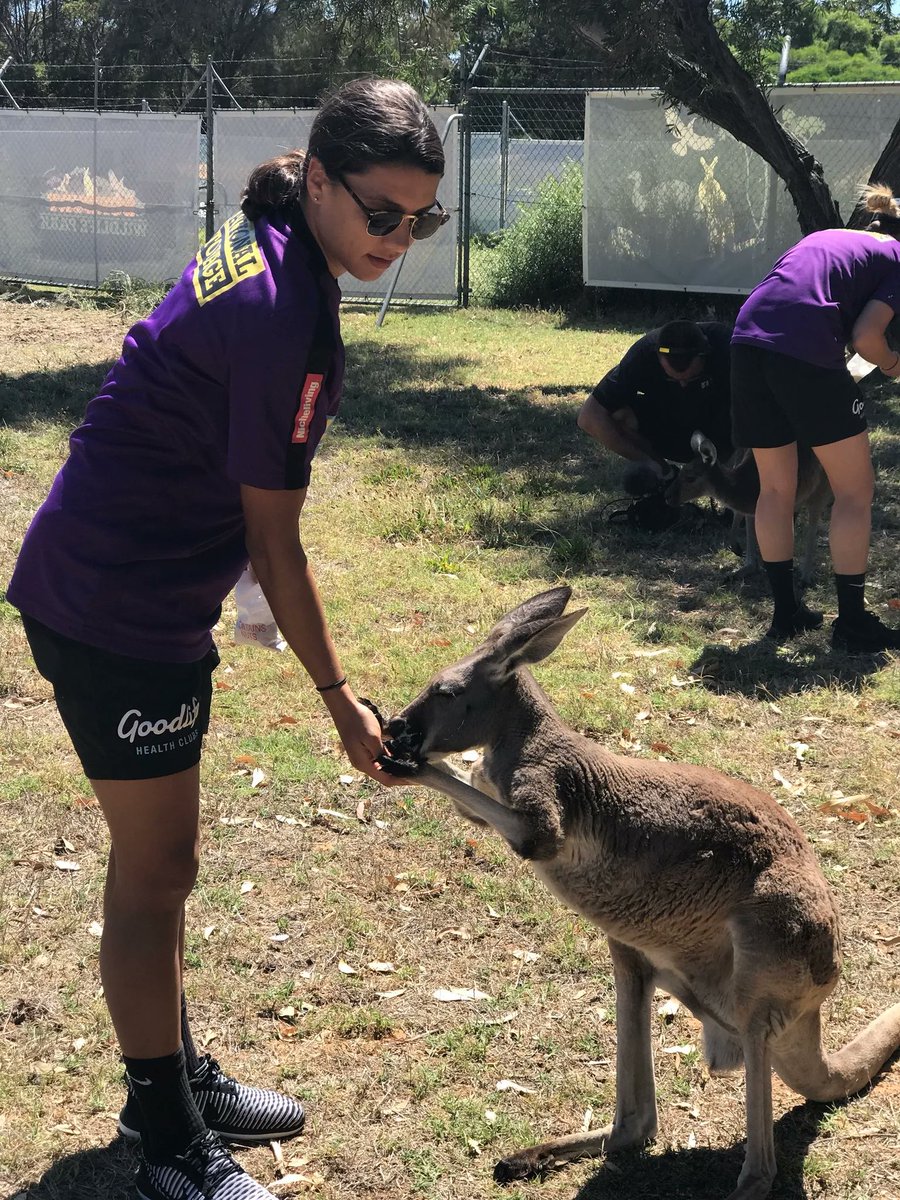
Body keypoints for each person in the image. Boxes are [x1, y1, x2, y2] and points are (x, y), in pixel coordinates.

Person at [6, 78, 449, 1200]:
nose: (399, 238)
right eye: (382, 213)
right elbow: (277, 536)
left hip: (131, 588)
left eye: (421, 220)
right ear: (315, 180)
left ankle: (177, 1083)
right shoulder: (282, 306)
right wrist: (339, 695)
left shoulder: (273, 251)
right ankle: (166, 1141)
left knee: (162, 867)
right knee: (157, 873)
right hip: (115, 604)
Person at [731, 184, 900, 652]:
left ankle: (786, 614)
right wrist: (891, 364)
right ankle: (851, 624)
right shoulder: (899, 259)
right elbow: (868, 337)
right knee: (854, 490)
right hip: (802, 348)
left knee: (775, 488)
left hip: (745, 342)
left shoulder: (830, 237)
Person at [577, 319, 734, 514]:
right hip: (670, 428)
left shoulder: (728, 347)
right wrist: (651, 464)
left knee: (750, 415)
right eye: (673, 379)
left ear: (705, 355)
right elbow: (589, 417)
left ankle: (733, 488)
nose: (683, 386)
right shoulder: (643, 354)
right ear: (658, 357)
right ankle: (665, 479)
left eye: (692, 379)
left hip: (720, 433)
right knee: (618, 416)